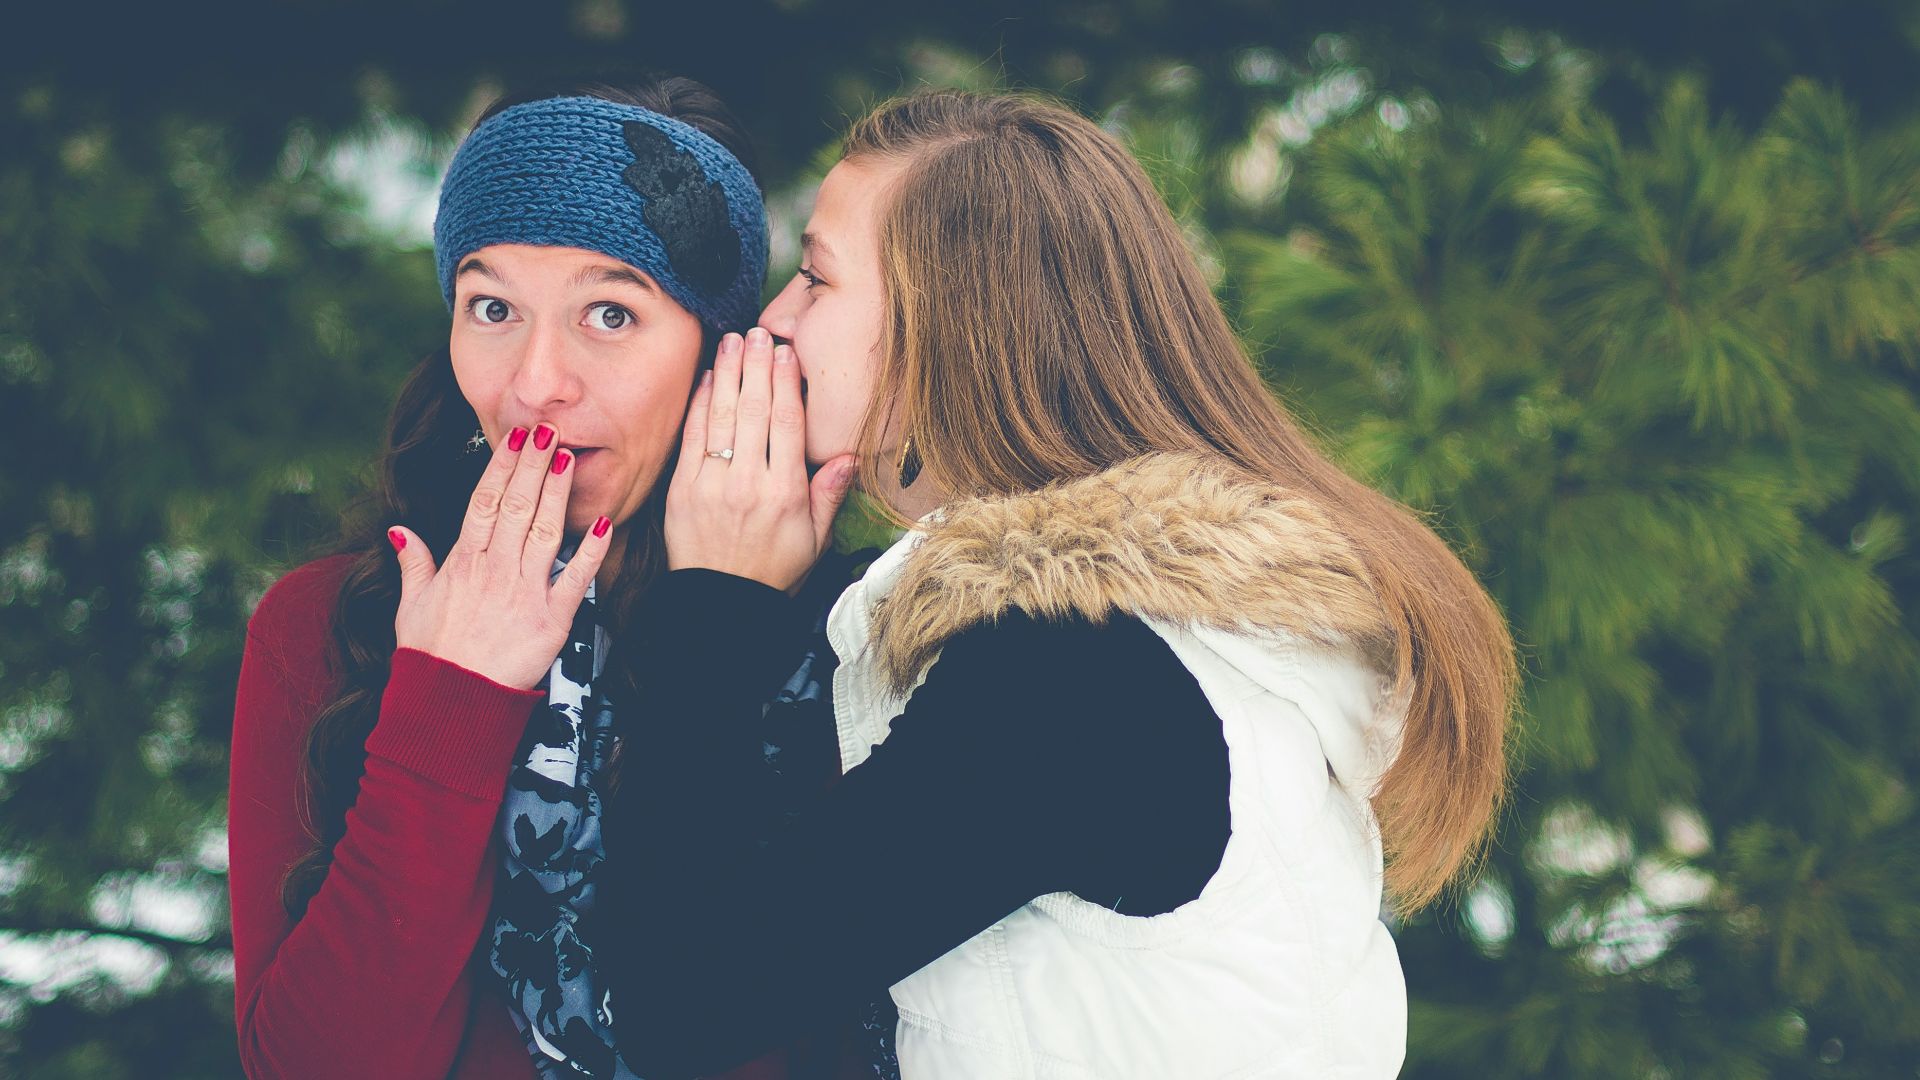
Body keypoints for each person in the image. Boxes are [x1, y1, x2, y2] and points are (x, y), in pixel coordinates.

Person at [575, 89, 1521, 1079]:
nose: (775, 320)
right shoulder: (1152, 637)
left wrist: (715, 609)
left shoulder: (1075, 682)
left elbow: (683, 1003)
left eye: (815, 278)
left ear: (947, 330)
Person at [225, 73, 849, 1079]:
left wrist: (723, 618)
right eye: (492, 306)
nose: (535, 382)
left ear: (716, 352)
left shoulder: (842, 627)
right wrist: (451, 699)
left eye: (611, 314)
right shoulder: (329, 624)